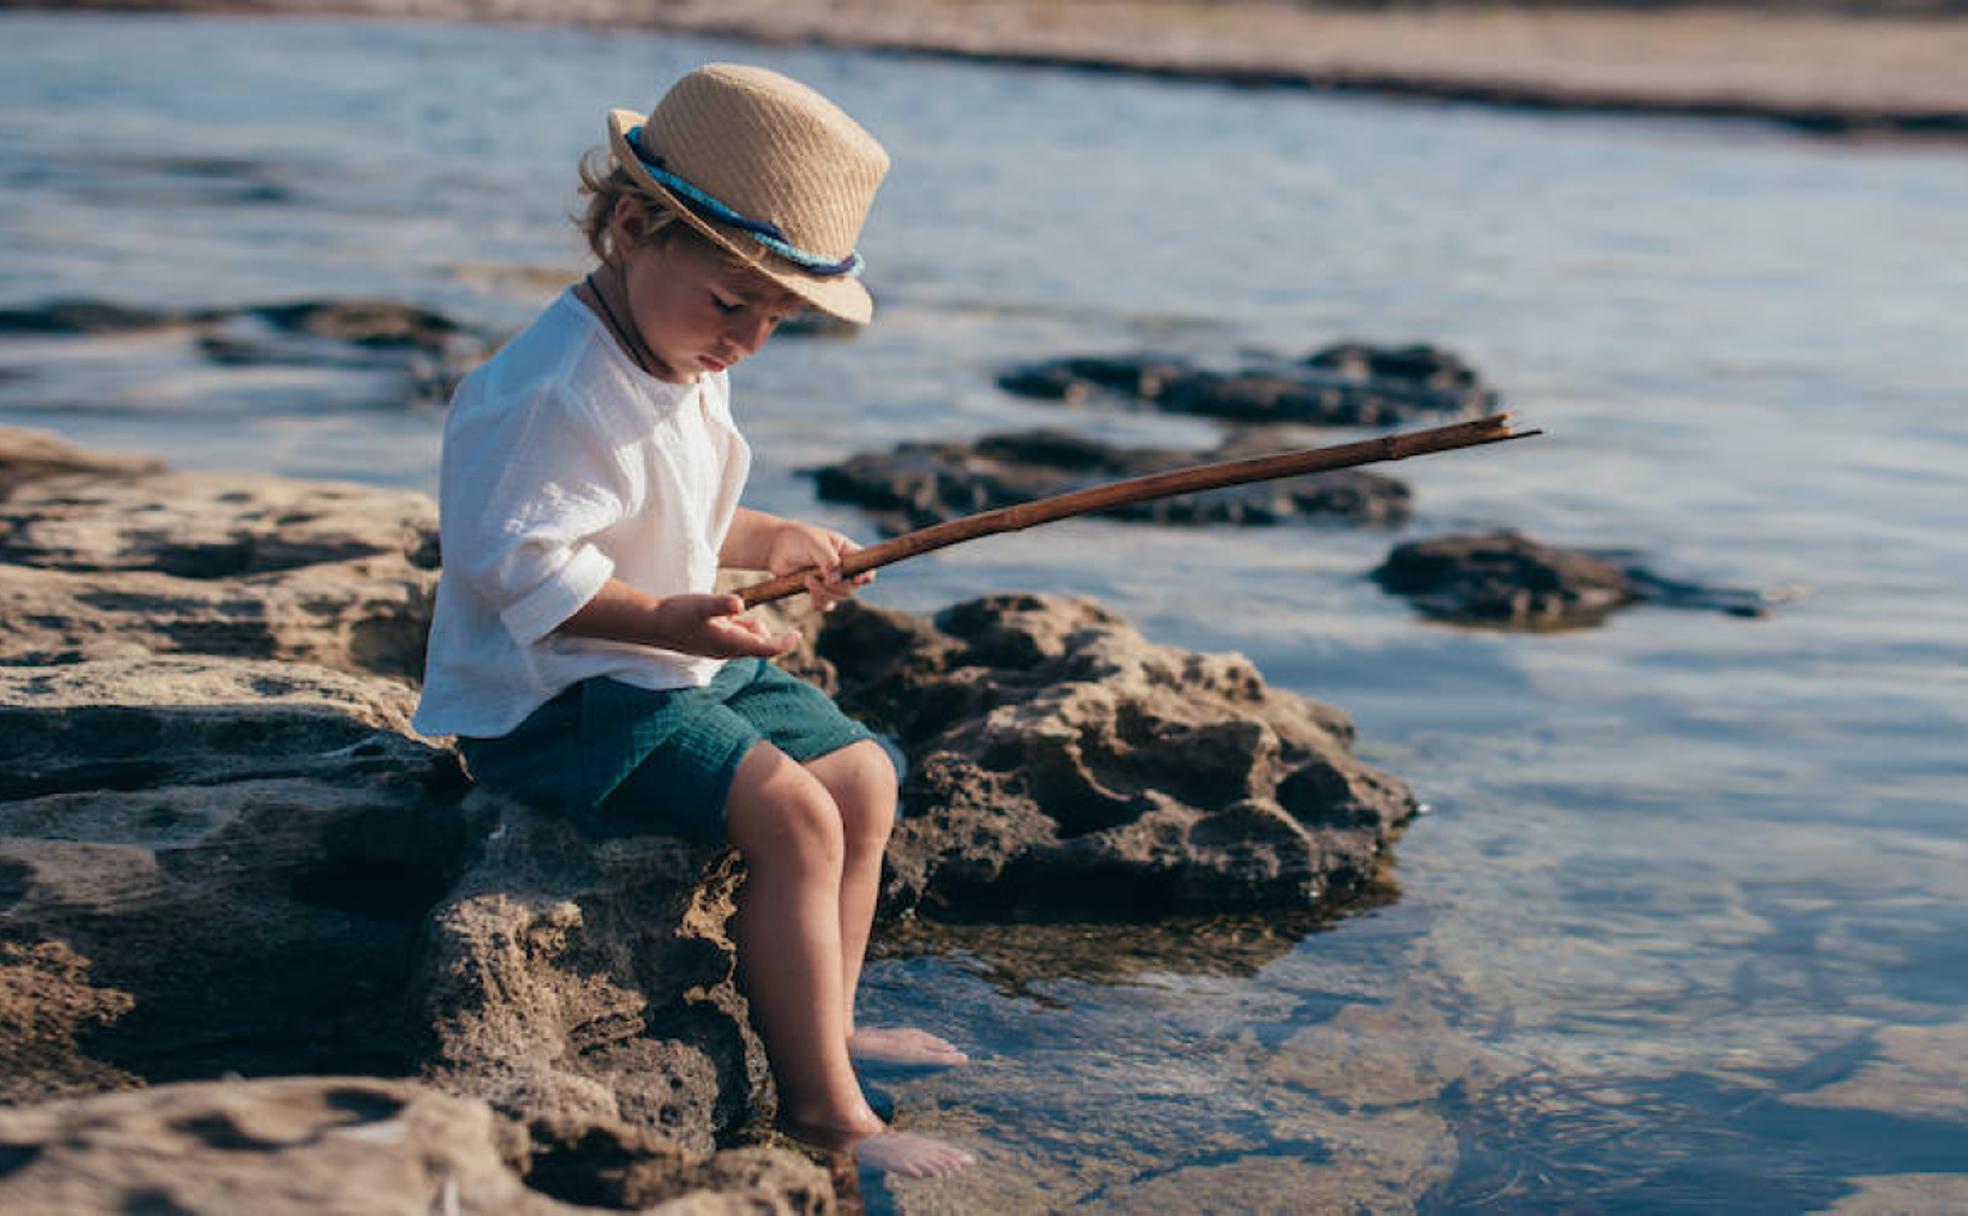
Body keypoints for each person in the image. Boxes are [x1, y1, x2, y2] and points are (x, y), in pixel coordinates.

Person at [411, 63, 973, 1179]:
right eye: (735, 303)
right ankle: (827, 1111)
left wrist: (769, 542)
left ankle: (833, 1019)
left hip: (662, 662)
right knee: (798, 821)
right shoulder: (550, 392)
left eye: (778, 318)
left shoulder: (677, 343)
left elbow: (675, 504)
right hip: (554, 699)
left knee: (863, 775)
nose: (749, 341)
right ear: (632, 226)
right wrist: (671, 619)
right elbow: (517, 566)